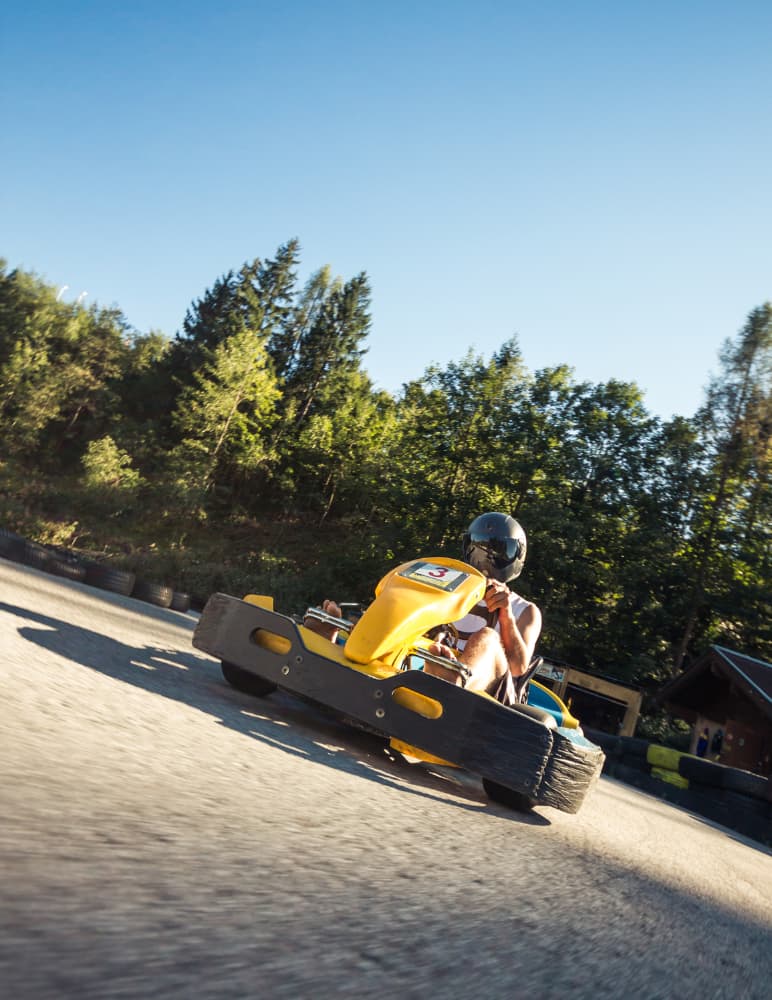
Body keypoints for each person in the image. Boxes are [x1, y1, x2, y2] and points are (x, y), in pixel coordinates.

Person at [306, 511, 542, 708]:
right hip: (432, 662)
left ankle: (449, 683)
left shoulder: (526, 610)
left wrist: (506, 616)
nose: (485, 556)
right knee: (403, 619)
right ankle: (333, 645)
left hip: (490, 694)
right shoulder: (453, 587)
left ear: (513, 557)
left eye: (496, 550)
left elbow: (518, 667)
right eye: (480, 546)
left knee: (488, 637)